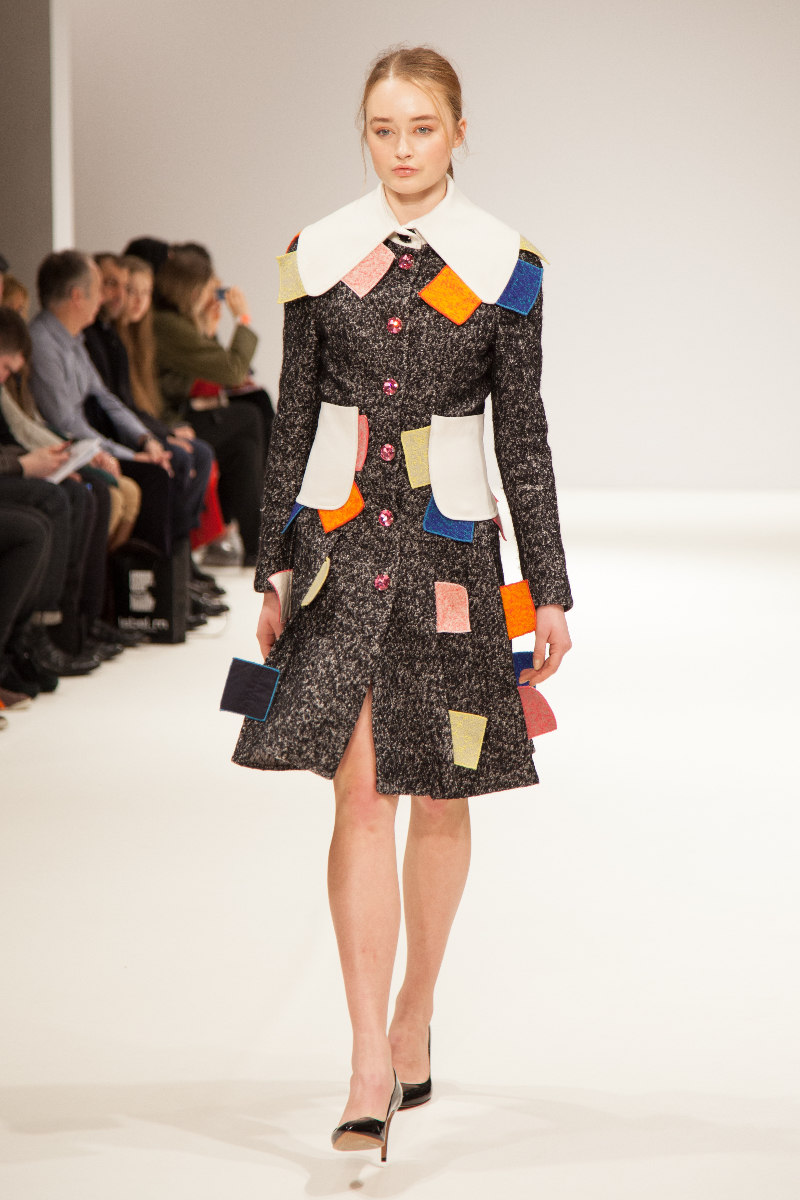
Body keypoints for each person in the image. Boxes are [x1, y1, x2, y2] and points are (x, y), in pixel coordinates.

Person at [232, 47, 573, 1160]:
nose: (402, 148)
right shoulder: (319, 254)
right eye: (383, 129)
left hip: (453, 558)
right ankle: (366, 1063)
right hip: (339, 549)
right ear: (364, 135)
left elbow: (523, 434)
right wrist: (272, 566)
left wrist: (549, 590)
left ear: (457, 131)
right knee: (360, 793)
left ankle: (415, 1010)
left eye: (421, 127)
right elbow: (292, 414)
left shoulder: (503, 266)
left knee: (441, 792)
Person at [152, 249, 264, 565]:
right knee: (250, 416)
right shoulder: (168, 325)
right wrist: (242, 319)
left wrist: (209, 329)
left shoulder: (176, 322)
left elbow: (217, 368)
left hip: (176, 415)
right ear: (192, 291)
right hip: (166, 419)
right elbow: (232, 370)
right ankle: (251, 539)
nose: (211, 297)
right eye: (207, 289)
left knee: (243, 448)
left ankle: (255, 545)